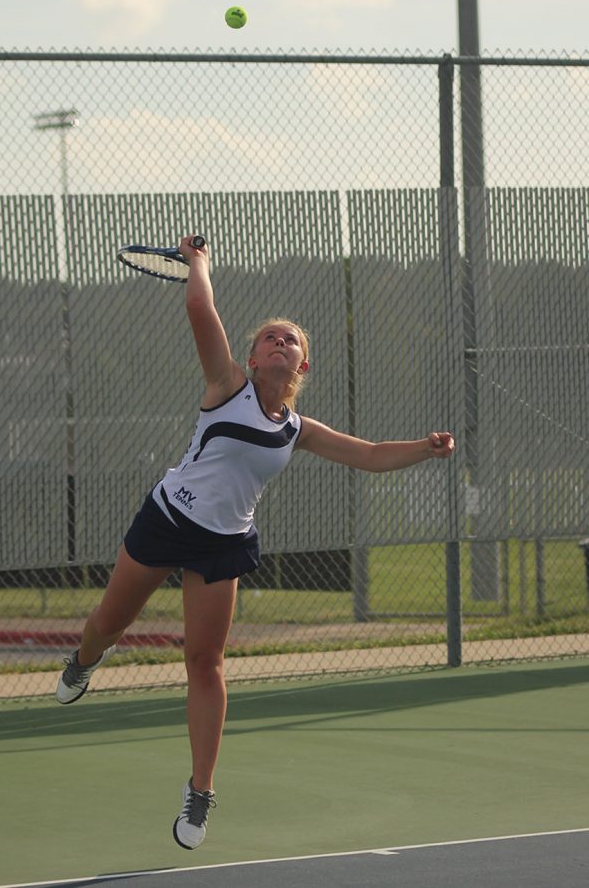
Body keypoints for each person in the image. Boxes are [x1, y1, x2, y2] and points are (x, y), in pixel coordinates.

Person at [56, 235, 455, 850]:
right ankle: (84, 662)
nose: (278, 343)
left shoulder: (298, 430)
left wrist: (424, 451)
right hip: (167, 520)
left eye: (289, 340)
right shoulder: (227, 385)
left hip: (224, 545)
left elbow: (371, 456)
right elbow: (199, 311)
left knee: (205, 662)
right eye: (269, 337)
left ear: (303, 366)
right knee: (107, 623)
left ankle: (200, 789)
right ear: (251, 355)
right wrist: (199, 263)